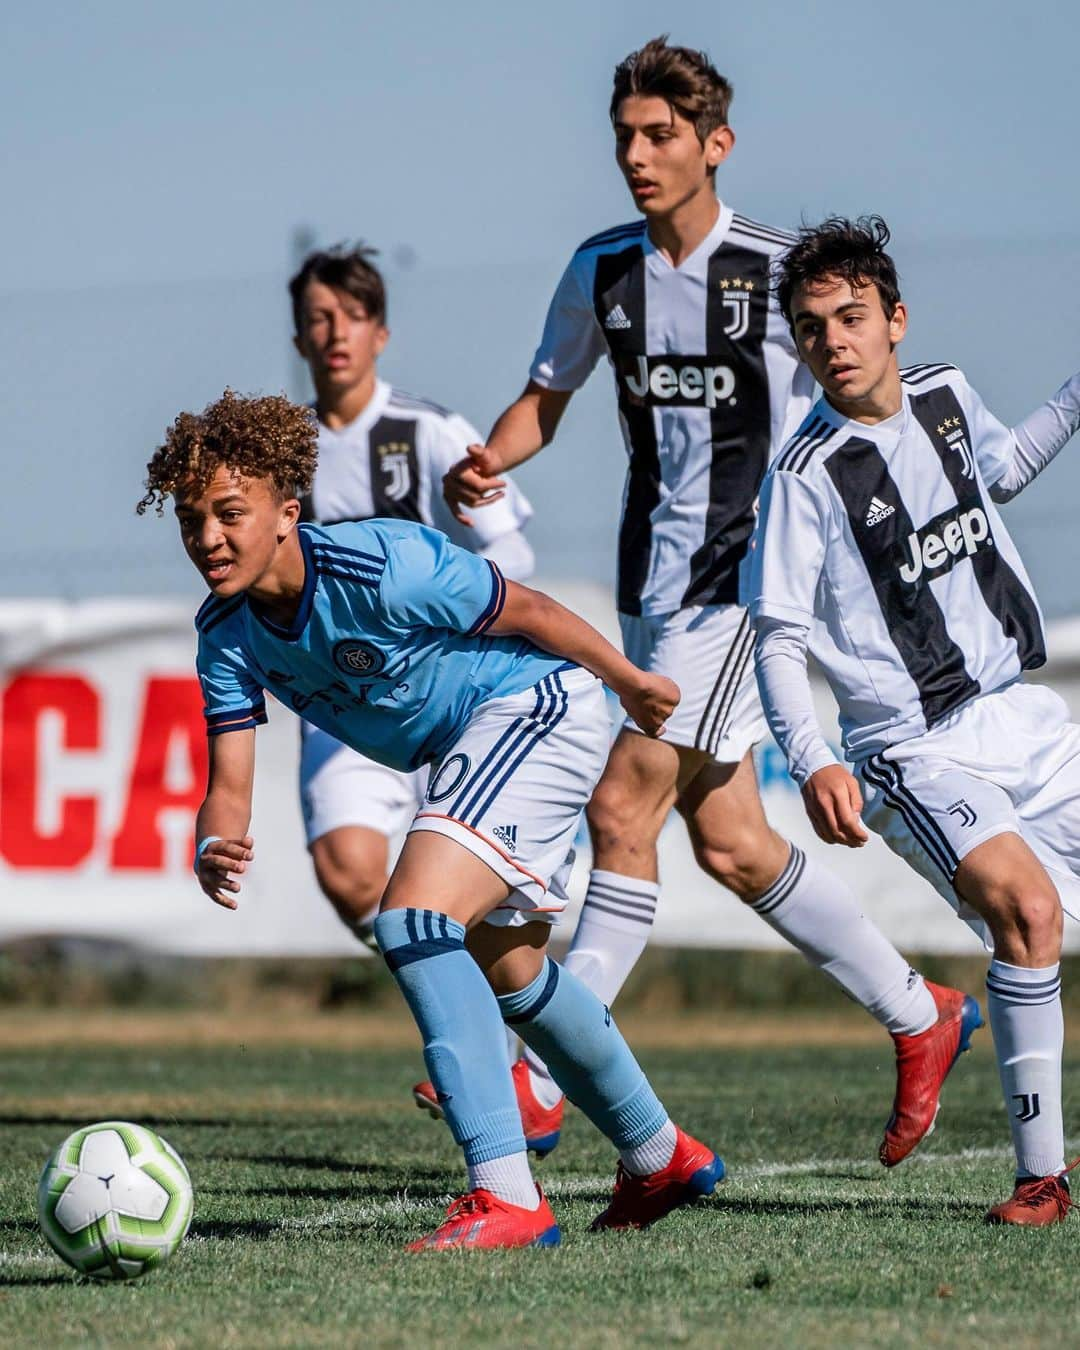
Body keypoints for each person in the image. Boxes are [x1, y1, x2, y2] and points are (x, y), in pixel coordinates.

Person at [441, 35, 978, 1165]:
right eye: (624, 137)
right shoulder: (602, 270)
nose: (637, 155)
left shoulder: (779, 274)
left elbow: (862, 382)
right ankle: (919, 1012)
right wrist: (494, 457)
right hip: (656, 581)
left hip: (750, 580)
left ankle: (537, 1073)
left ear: (714, 145)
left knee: (619, 809)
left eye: (660, 136)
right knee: (732, 843)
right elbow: (550, 394)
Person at [136, 390, 723, 1250]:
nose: (209, 539)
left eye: (230, 513)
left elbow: (529, 610)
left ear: (286, 513)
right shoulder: (225, 633)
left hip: (538, 708)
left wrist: (630, 682)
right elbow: (229, 779)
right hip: (470, 745)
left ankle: (507, 1195)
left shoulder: (384, 564)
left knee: (413, 917)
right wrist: (211, 838)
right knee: (511, 972)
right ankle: (660, 1152)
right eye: (192, 521)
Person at [749, 214, 1080, 1225]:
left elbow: (1002, 473)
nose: (833, 343)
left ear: (896, 318)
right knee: (1028, 916)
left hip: (1024, 716)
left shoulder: (942, 393)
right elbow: (776, 636)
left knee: (1040, 923)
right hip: (914, 750)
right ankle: (1040, 1181)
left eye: (851, 318)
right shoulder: (804, 479)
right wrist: (809, 757)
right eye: (811, 329)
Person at [289, 244, 535, 951]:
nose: (336, 333)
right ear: (299, 337)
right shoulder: (283, 453)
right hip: (340, 701)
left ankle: (492, 1048)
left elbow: (510, 548)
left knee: (467, 894)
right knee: (349, 872)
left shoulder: (426, 431)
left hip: (439, 696)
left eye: (354, 316)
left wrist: (453, 629)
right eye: (319, 318)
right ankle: (462, 1015)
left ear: (381, 334)